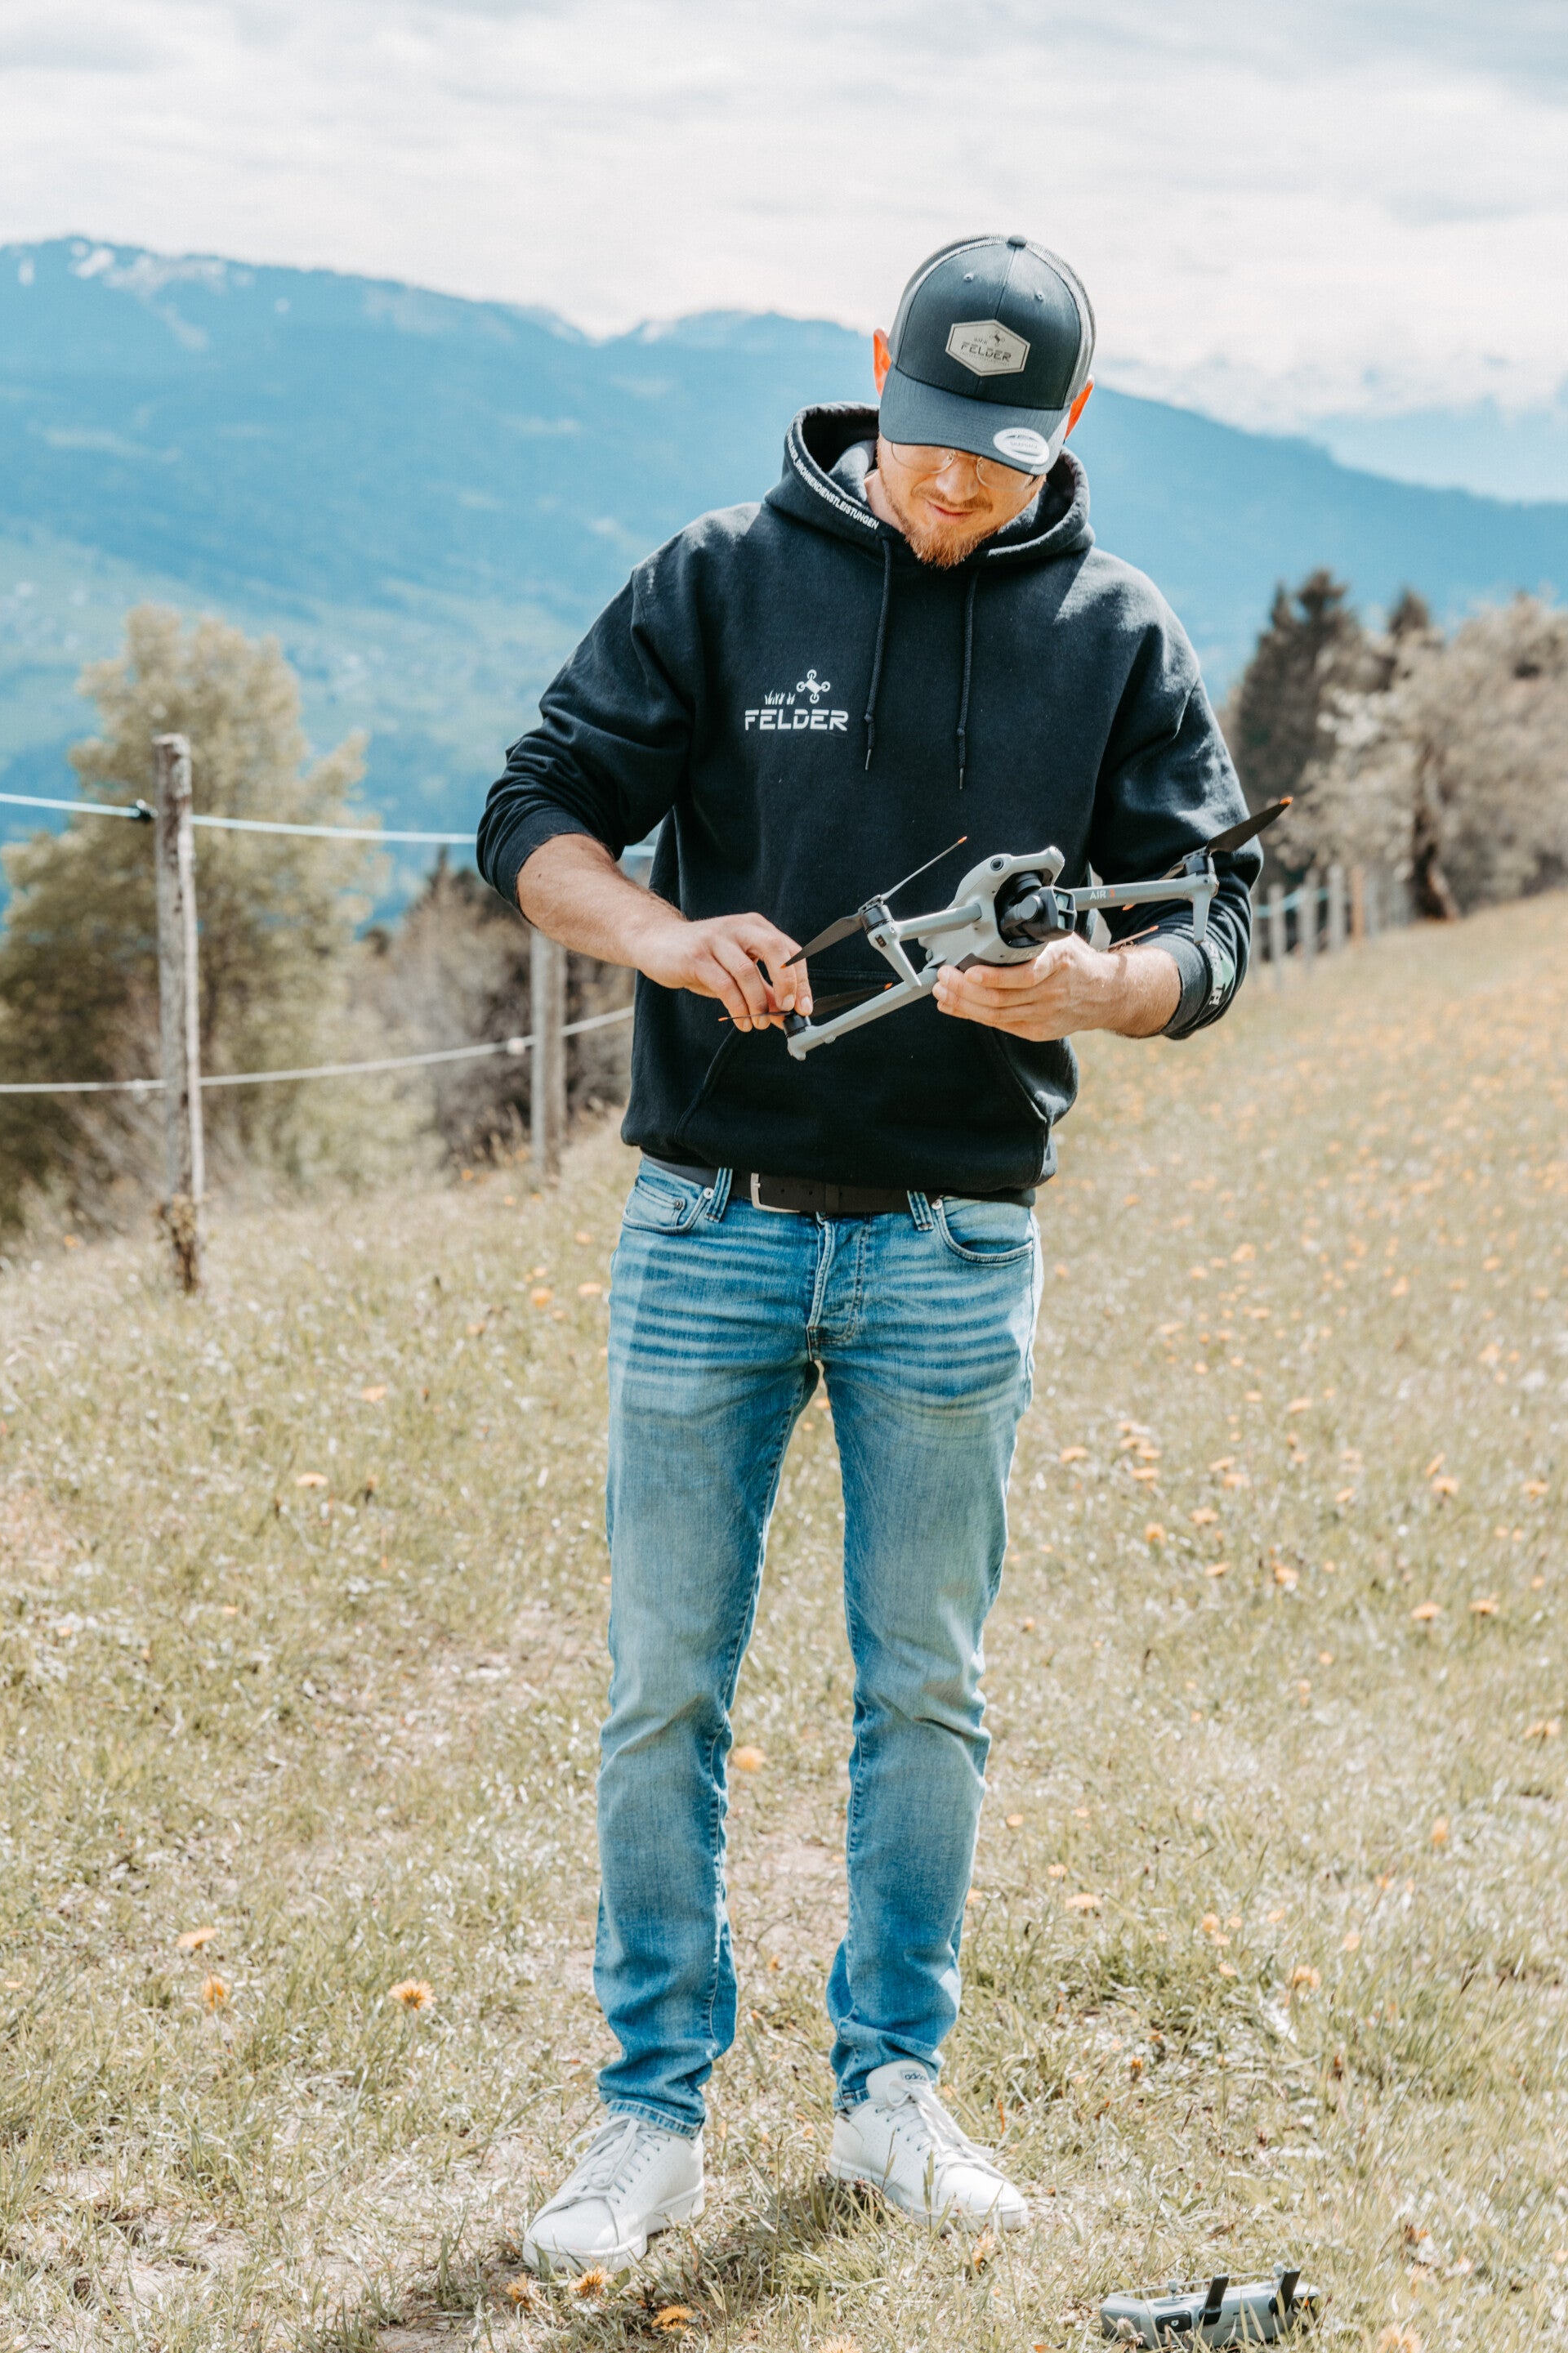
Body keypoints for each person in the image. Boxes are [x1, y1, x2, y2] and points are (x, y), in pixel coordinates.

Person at [477, 233, 1259, 2275]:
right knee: (664, 1686)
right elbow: (535, 814)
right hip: (706, 1227)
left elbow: (1217, 923)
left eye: (998, 459)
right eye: (925, 443)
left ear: (1067, 425)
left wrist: (1101, 987)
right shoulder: (721, 577)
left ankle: (893, 2097)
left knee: (926, 1692)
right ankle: (647, 2117)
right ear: (876, 374)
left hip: (952, 1250)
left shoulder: (1118, 631)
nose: (950, 487)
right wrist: (662, 935)